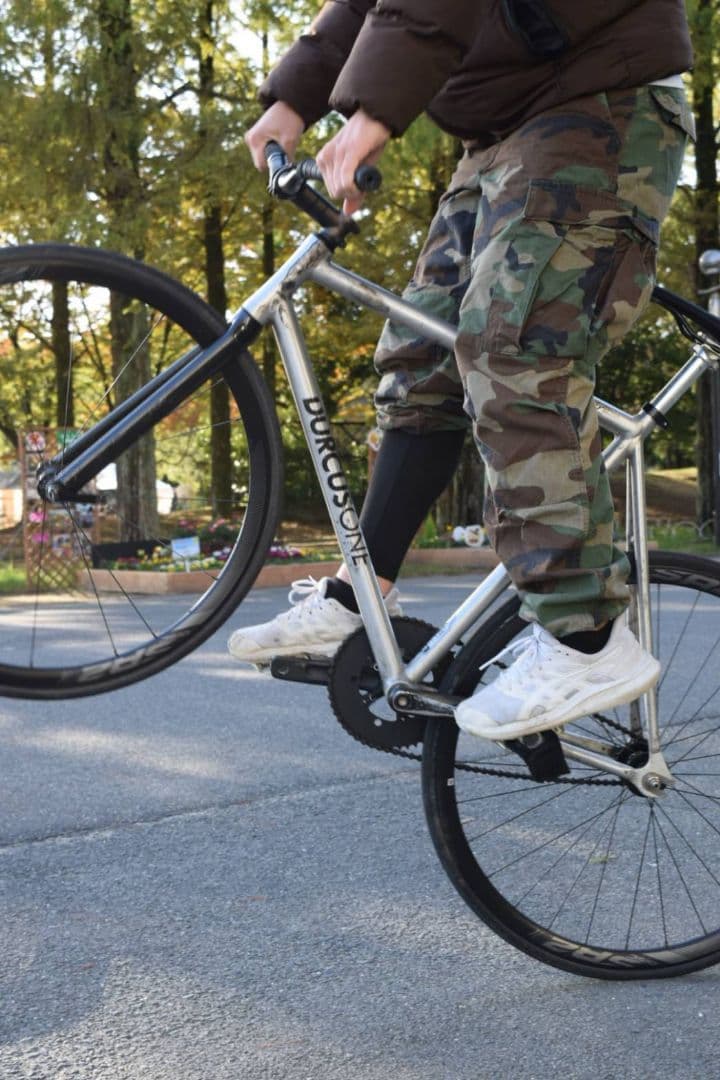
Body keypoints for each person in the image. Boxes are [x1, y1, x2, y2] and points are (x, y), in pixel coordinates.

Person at [229, 0, 694, 741]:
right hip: (503, 125)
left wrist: (373, 111)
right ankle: (361, 598)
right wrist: (293, 97)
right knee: (422, 356)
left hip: (597, 100)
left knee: (513, 346)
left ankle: (586, 639)